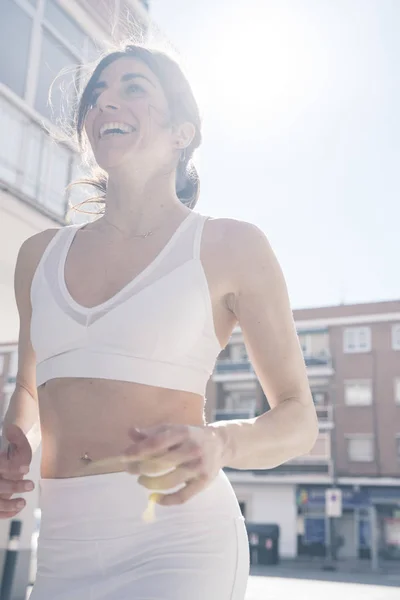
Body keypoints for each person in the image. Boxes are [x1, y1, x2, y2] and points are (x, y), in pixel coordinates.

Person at [0, 44, 318, 599]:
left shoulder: (229, 246)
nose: (104, 104)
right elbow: (31, 385)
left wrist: (222, 444)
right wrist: (11, 440)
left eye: (133, 88)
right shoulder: (38, 256)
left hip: (179, 542)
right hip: (62, 550)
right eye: (95, 97)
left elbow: (298, 419)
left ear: (183, 133)